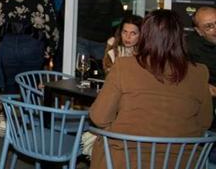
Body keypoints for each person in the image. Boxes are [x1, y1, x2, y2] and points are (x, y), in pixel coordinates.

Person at [89, 10, 213, 169]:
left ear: (145, 36)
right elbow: (204, 122)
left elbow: (99, 117)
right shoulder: (199, 72)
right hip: (181, 161)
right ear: (180, 38)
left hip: (125, 160)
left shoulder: (124, 66)